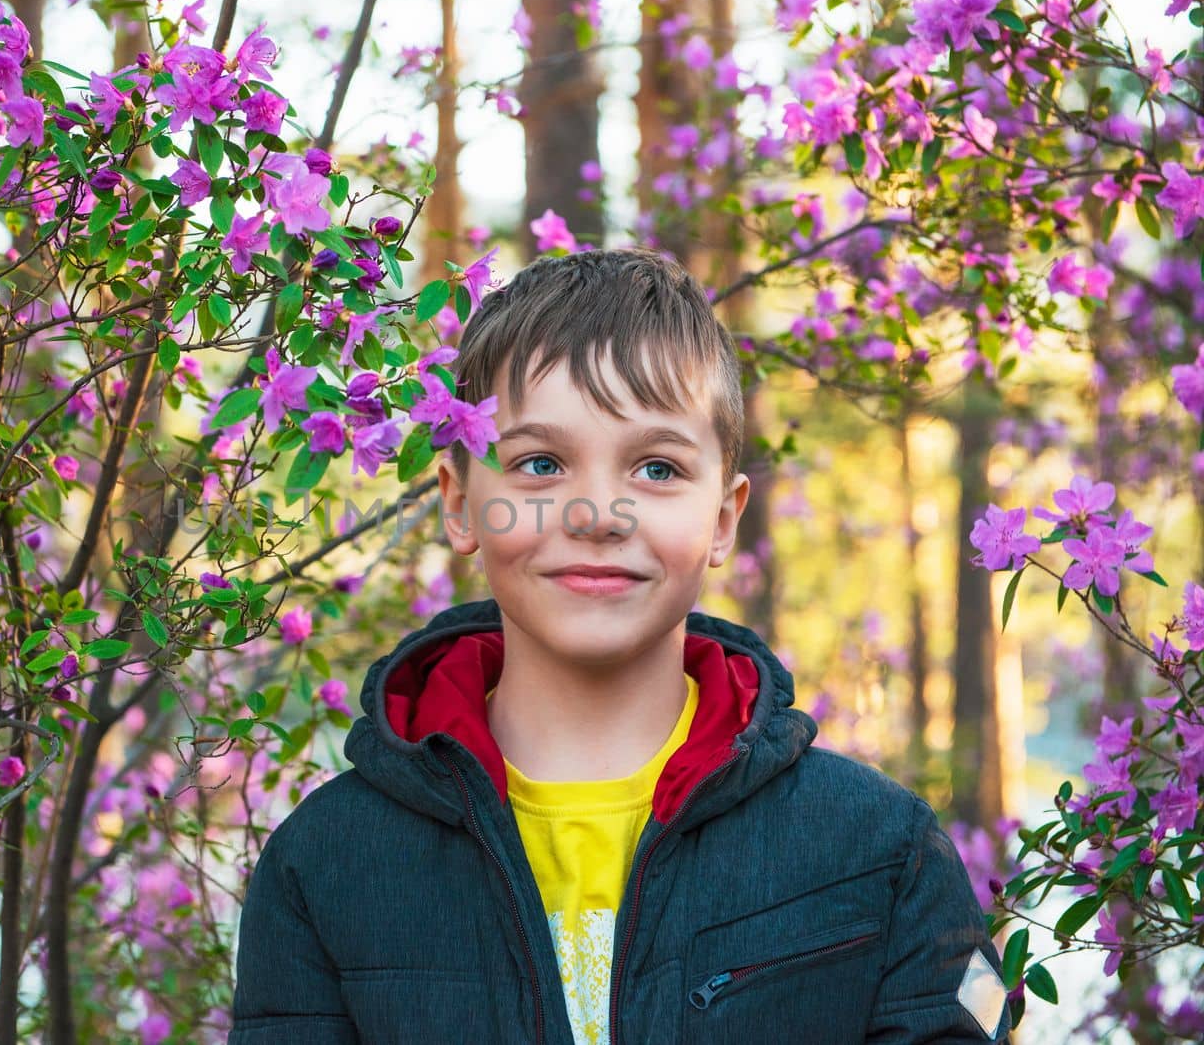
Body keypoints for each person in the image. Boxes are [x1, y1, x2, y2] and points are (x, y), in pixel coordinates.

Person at [228, 248, 1011, 1044]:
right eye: (540, 463)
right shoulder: (323, 865)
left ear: (722, 519)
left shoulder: (879, 849)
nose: (599, 512)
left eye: (658, 468)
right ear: (460, 504)